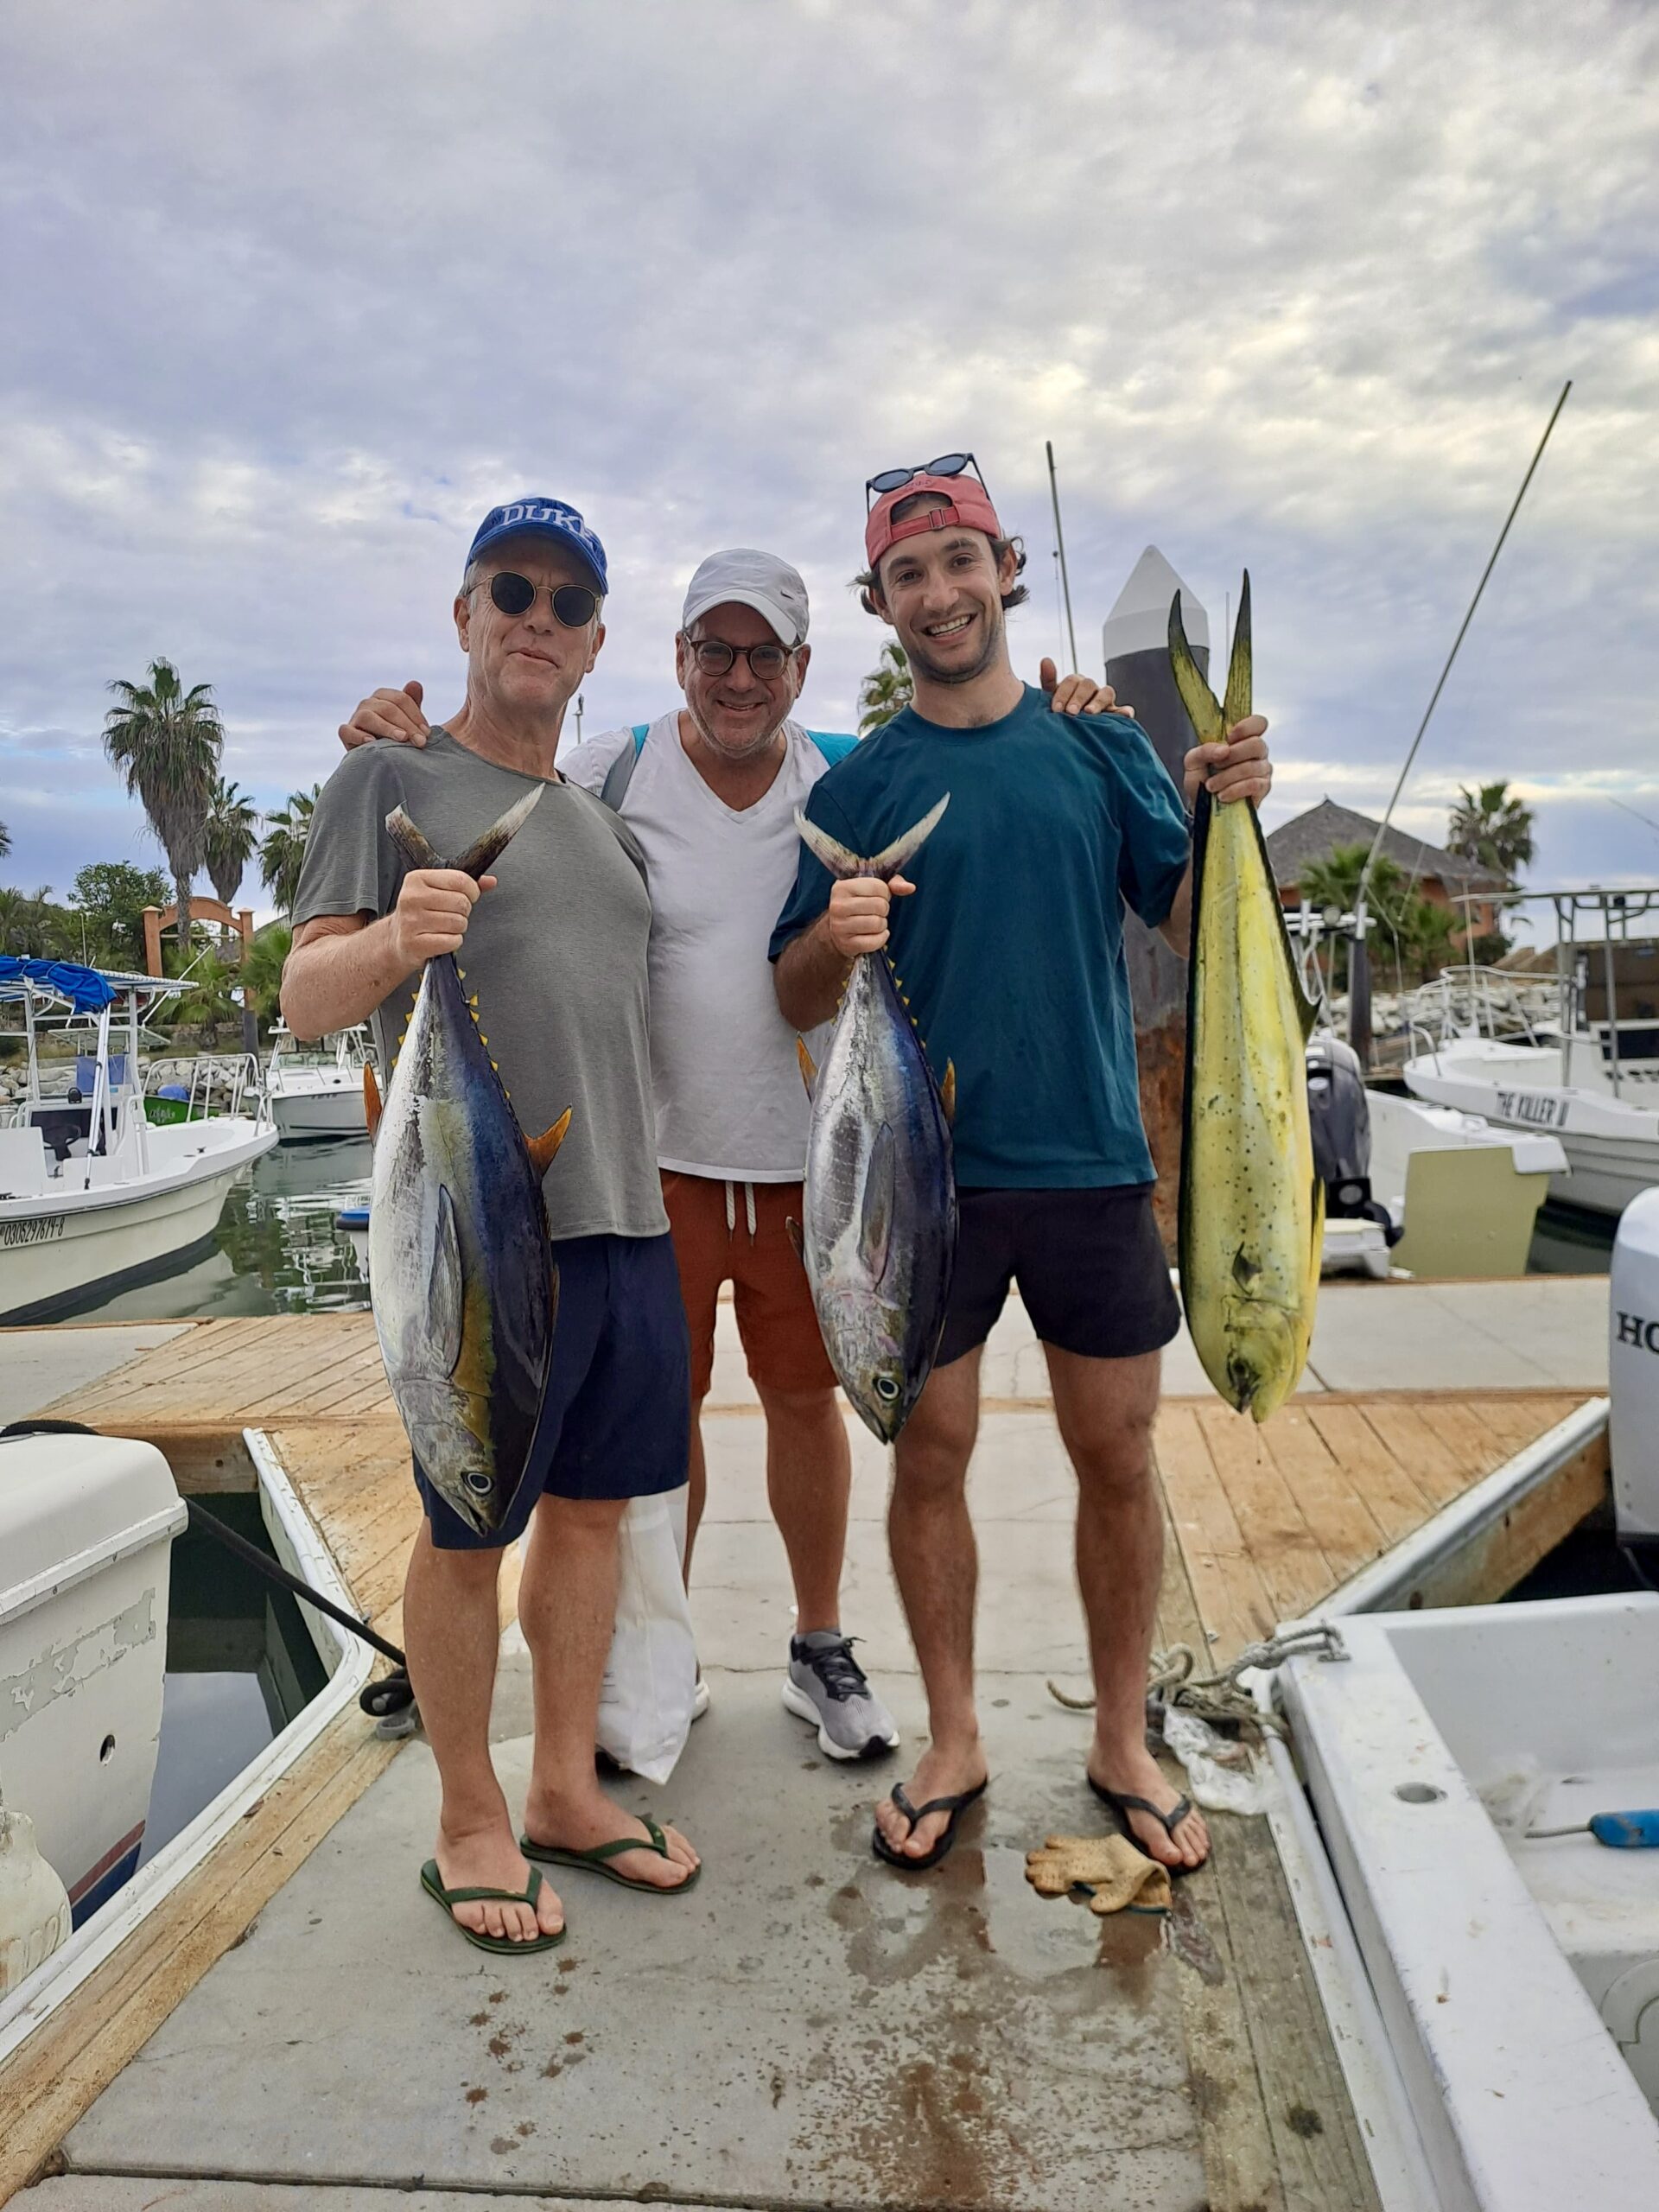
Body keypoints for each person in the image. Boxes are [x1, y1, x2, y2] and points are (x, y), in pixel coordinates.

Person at [340, 549, 1127, 1763]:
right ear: (678, 659)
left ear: (804, 668)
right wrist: (402, 737)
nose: (740, 676)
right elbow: (502, 777)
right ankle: (664, 1651)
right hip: (649, 1161)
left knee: (809, 1404)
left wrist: (1082, 712)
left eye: (766, 655)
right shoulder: (616, 765)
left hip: (815, 1165)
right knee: (661, 1432)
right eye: (717, 650)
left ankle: (818, 1642)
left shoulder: (847, 780)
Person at [771, 458, 1273, 1874]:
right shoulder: (863, 783)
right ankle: (953, 1735)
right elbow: (794, 994)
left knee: (1116, 1453)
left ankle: (1123, 1735)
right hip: (921, 1185)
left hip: (1096, 1164)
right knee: (929, 1452)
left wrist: (1228, 805)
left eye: (960, 563)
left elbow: (1189, 918)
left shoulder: (1099, 749)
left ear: (1007, 574)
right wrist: (838, 932)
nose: (941, 594)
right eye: (910, 576)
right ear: (882, 605)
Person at [283, 497, 702, 1953]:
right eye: (509, 590)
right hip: (475, 1227)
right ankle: (468, 1815)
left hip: (623, 1224)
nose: (539, 616)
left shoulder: (603, 825)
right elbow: (305, 997)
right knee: (468, 1528)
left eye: (569, 602)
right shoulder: (387, 774)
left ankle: (563, 1789)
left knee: (592, 1517)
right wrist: (401, 939)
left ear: (595, 646)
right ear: (464, 616)